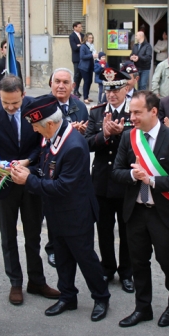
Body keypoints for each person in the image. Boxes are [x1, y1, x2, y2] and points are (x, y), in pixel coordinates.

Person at [11, 95, 111, 321]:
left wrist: (28, 180)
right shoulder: (52, 136)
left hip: (76, 214)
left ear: (49, 123)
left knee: (85, 258)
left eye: (36, 126)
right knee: (62, 257)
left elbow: (63, 187)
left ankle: (101, 297)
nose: (35, 131)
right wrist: (29, 170)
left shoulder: (73, 145)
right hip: (56, 211)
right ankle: (67, 296)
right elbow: (47, 168)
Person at [0, 75, 59, 305]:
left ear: (23, 95)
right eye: (6, 103)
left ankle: (36, 281)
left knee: (33, 234)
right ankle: (15, 282)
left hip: (30, 180)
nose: (11, 108)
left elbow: (43, 142)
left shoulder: (34, 108)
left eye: (15, 103)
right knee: (8, 235)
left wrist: (27, 162)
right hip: (3, 183)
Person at [112, 91, 169, 328]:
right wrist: (131, 175)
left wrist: (152, 180)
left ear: (153, 111)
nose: (132, 117)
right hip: (135, 211)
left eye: (137, 112)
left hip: (162, 213)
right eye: (131, 112)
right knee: (138, 262)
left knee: (167, 261)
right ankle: (142, 307)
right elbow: (116, 171)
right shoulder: (129, 137)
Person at [85, 68, 135, 293]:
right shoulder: (96, 113)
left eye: (116, 88)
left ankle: (126, 272)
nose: (111, 94)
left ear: (126, 88)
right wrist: (104, 135)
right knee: (104, 229)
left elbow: (140, 145)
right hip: (102, 183)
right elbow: (86, 144)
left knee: (127, 231)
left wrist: (120, 133)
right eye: (108, 89)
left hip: (125, 182)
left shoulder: (133, 113)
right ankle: (107, 268)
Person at [50, 68, 89, 135]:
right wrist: (67, 130)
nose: (61, 86)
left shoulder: (81, 106)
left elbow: (88, 135)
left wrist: (83, 132)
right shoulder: (42, 107)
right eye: (57, 81)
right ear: (51, 84)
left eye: (65, 82)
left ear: (73, 86)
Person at [78, 32, 97, 104]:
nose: (91, 39)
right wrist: (92, 56)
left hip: (90, 66)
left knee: (90, 82)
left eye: (92, 38)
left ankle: (87, 96)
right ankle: (85, 97)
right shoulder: (83, 46)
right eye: (89, 38)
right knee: (86, 82)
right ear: (86, 38)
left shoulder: (91, 46)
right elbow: (82, 56)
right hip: (84, 67)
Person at [69, 22, 84, 97]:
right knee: (77, 75)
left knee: (81, 75)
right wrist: (80, 46)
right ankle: (75, 90)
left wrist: (79, 45)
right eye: (79, 27)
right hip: (76, 58)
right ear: (75, 27)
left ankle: (77, 89)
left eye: (81, 27)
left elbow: (85, 45)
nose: (81, 28)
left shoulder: (83, 35)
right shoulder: (72, 36)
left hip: (83, 58)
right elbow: (74, 47)